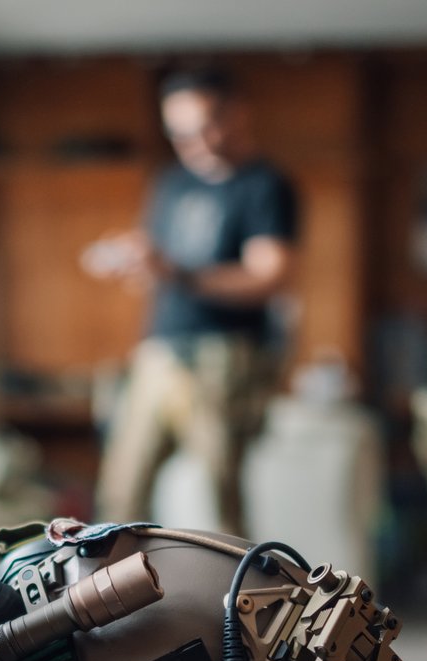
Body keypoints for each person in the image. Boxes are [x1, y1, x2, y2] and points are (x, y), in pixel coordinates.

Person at [83, 66, 297, 539]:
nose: (195, 141)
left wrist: (175, 272)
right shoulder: (171, 184)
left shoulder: (264, 185)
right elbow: (162, 268)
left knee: (220, 501)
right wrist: (133, 262)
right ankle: (112, 607)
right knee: (120, 493)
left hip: (225, 356)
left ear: (238, 113)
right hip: (160, 352)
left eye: (206, 126)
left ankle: (239, 607)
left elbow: (270, 277)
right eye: (180, 133)